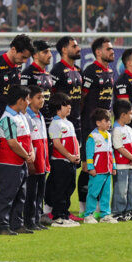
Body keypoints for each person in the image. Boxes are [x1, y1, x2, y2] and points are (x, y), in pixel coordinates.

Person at [0, 34, 34, 220]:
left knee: (10, 171)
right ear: (13, 49)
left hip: (13, 124)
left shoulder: (17, 67)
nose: (23, 61)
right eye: (22, 57)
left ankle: (8, 216)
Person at [78, 37, 116, 207]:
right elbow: (81, 98)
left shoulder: (109, 72)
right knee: (88, 167)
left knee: (103, 164)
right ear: (98, 52)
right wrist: (85, 123)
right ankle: (83, 205)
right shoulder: (90, 71)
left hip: (105, 128)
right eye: (108, 48)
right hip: (90, 126)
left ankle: (100, 204)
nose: (112, 51)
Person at [0, 86, 33, 236]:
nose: (29, 102)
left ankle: (17, 224)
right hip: (9, 163)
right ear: (20, 100)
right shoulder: (7, 118)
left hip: (20, 162)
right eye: (27, 99)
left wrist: (30, 153)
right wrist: (27, 156)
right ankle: (1, 226)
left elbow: (27, 139)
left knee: (20, 195)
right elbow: (12, 142)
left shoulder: (20, 115)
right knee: (7, 195)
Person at [45, 95, 81, 227]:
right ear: (58, 107)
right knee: (59, 189)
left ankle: (65, 214)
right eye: (66, 104)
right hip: (60, 162)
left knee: (69, 188)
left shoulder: (69, 123)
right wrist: (69, 156)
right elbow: (57, 144)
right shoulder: (55, 124)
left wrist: (76, 155)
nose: (70, 107)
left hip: (71, 162)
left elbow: (75, 141)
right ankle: (57, 216)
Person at [23, 86, 50, 230]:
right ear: (30, 99)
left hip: (43, 161)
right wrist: (30, 162)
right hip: (34, 161)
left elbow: (43, 142)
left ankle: (37, 219)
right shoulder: (27, 117)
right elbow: (28, 142)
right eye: (38, 97)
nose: (42, 100)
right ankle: (29, 221)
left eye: (43, 97)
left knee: (40, 193)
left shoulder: (40, 116)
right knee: (31, 193)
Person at [82, 109, 115, 224]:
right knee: (93, 193)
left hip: (107, 171)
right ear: (98, 123)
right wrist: (91, 168)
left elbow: (111, 152)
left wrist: (113, 167)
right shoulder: (93, 137)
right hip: (97, 171)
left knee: (106, 193)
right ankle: (88, 215)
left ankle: (105, 215)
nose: (109, 123)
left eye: (109, 121)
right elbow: (89, 154)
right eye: (106, 121)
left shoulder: (109, 135)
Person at [111, 100, 132, 221]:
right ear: (123, 115)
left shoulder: (129, 129)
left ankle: (128, 211)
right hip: (122, 165)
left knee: (131, 190)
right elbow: (119, 147)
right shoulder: (116, 129)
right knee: (121, 190)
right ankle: (118, 212)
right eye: (131, 113)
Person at [19, 40, 54, 113]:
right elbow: (22, 99)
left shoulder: (48, 74)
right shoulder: (27, 74)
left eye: (50, 52)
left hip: (47, 119)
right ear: (35, 55)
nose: (50, 55)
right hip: (33, 119)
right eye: (45, 52)